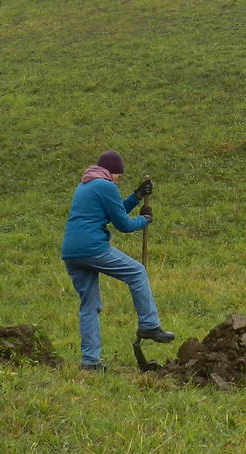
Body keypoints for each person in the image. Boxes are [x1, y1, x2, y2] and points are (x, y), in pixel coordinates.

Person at [60, 149, 175, 370]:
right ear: (112, 172)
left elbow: (113, 211)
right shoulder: (106, 185)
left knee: (89, 306)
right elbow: (122, 224)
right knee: (137, 272)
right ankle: (149, 325)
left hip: (71, 252)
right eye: (118, 177)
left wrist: (136, 196)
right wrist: (145, 220)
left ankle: (90, 362)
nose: (117, 180)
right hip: (92, 248)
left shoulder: (84, 186)